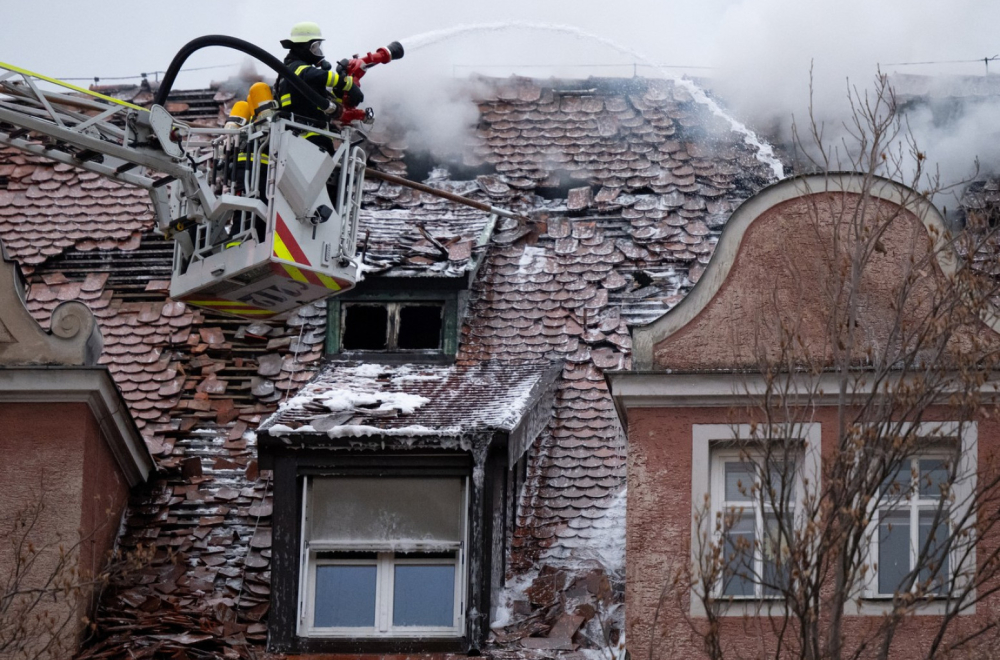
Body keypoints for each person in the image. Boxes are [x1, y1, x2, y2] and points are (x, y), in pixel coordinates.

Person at [276, 22, 363, 153]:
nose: (317, 51)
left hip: (307, 138)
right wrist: (348, 84)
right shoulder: (295, 68)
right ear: (302, 47)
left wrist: (339, 94)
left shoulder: (298, 78)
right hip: (309, 138)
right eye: (315, 47)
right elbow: (316, 75)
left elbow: (325, 101)